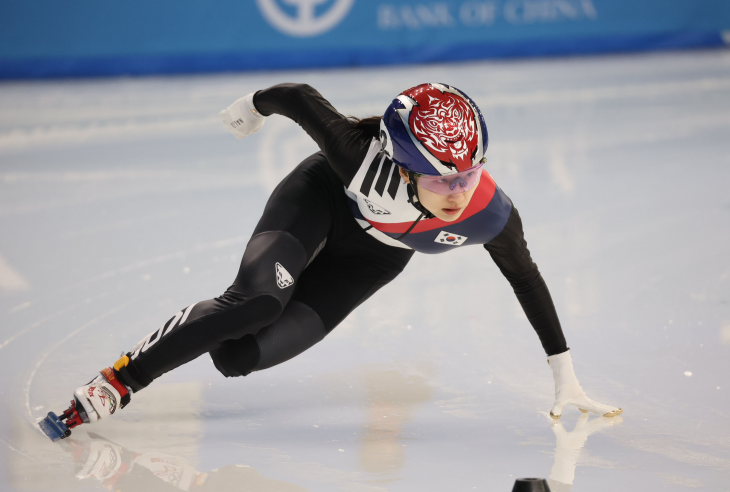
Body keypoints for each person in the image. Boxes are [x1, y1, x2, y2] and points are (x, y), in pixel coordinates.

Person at [44, 83, 621, 440]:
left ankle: (216, 325)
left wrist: (563, 375)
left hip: (372, 259)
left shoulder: (490, 215)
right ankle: (121, 378)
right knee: (255, 304)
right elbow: (295, 96)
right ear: (399, 166)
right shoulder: (353, 154)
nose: (460, 191)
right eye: (444, 177)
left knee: (237, 356)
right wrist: (249, 108)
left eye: (470, 171)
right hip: (318, 203)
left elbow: (525, 276)